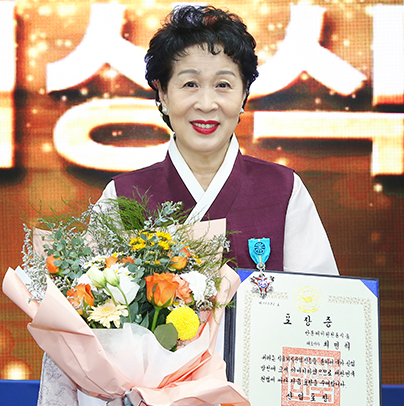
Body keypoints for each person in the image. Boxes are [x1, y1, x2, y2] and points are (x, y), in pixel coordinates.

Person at [37, 5, 338, 406]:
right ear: (162, 93)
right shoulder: (123, 196)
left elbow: (319, 313)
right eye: (190, 84)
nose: (207, 103)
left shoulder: (283, 190)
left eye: (224, 85)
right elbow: (88, 325)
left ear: (244, 96)